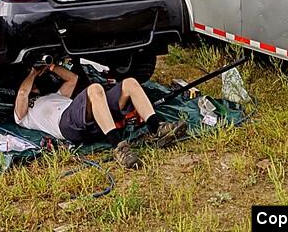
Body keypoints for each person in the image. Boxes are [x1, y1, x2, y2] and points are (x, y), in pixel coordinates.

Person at [13, 63, 187, 169]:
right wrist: (33, 72)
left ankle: (157, 128)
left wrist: (50, 67)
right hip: (66, 125)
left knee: (130, 83)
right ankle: (119, 147)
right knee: (95, 89)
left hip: (91, 117)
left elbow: (72, 79)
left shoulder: (55, 95)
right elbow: (22, 92)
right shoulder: (23, 114)